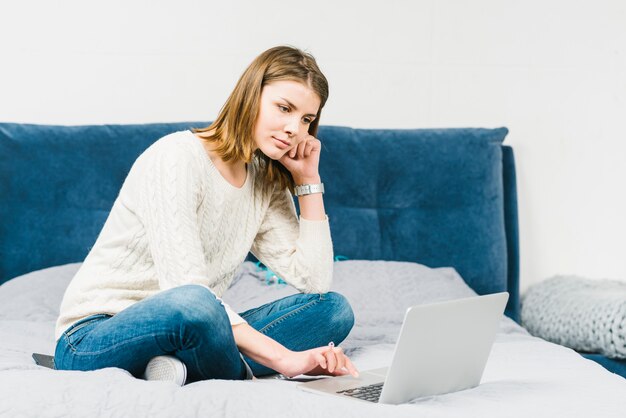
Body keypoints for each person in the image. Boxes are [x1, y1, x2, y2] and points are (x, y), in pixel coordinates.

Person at [53, 45, 359, 385]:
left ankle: (175, 365)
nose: (294, 129)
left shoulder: (264, 179)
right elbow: (185, 288)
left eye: (306, 119)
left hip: (195, 322)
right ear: (250, 95)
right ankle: (230, 369)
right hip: (93, 335)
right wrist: (285, 359)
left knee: (333, 310)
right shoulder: (176, 157)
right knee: (195, 303)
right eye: (284, 108)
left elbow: (313, 281)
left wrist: (308, 181)